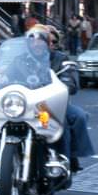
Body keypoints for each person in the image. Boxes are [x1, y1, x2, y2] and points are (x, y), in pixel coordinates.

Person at [29, 25, 94, 172]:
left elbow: (70, 81)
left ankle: (66, 159)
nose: (38, 44)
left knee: (74, 118)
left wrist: (65, 85)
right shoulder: (22, 59)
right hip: (26, 103)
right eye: (35, 40)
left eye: (51, 41)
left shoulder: (60, 59)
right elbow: (7, 74)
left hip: (53, 103)